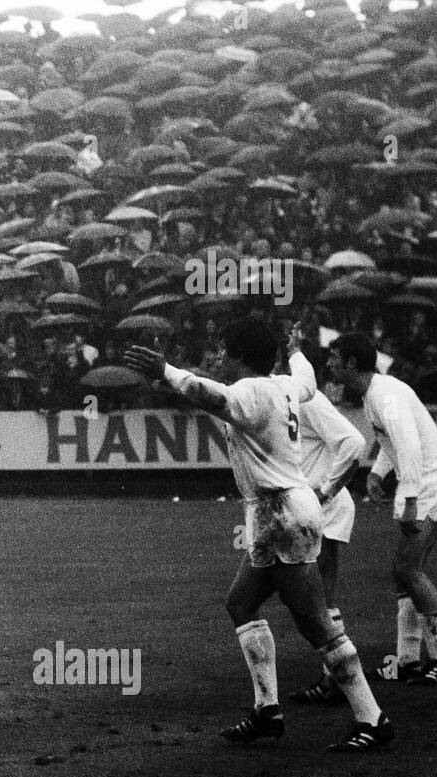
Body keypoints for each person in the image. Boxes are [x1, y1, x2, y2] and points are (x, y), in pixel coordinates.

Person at [124, 316, 392, 751]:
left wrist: (166, 371)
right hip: (276, 513)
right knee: (241, 603)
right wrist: (296, 349)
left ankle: (372, 717)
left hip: (283, 513)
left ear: (237, 355)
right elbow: (305, 376)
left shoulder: (249, 391)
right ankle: (267, 710)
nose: (217, 358)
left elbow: (205, 393)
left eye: (222, 351)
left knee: (315, 622)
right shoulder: (286, 385)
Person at [326, 332, 437, 685]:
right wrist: (377, 473)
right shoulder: (375, 393)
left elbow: (408, 447)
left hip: (427, 485)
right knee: (403, 571)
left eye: (334, 357)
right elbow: (390, 440)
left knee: (408, 569)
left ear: (351, 363)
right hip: (421, 483)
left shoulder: (385, 395)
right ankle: (407, 658)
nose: (328, 363)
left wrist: (409, 502)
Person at [287, 368, 368, 704]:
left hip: (326, 508)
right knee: (311, 597)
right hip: (307, 507)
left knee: (318, 596)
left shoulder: (310, 398)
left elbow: (354, 442)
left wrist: (327, 489)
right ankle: (334, 676)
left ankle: (336, 679)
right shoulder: (281, 396)